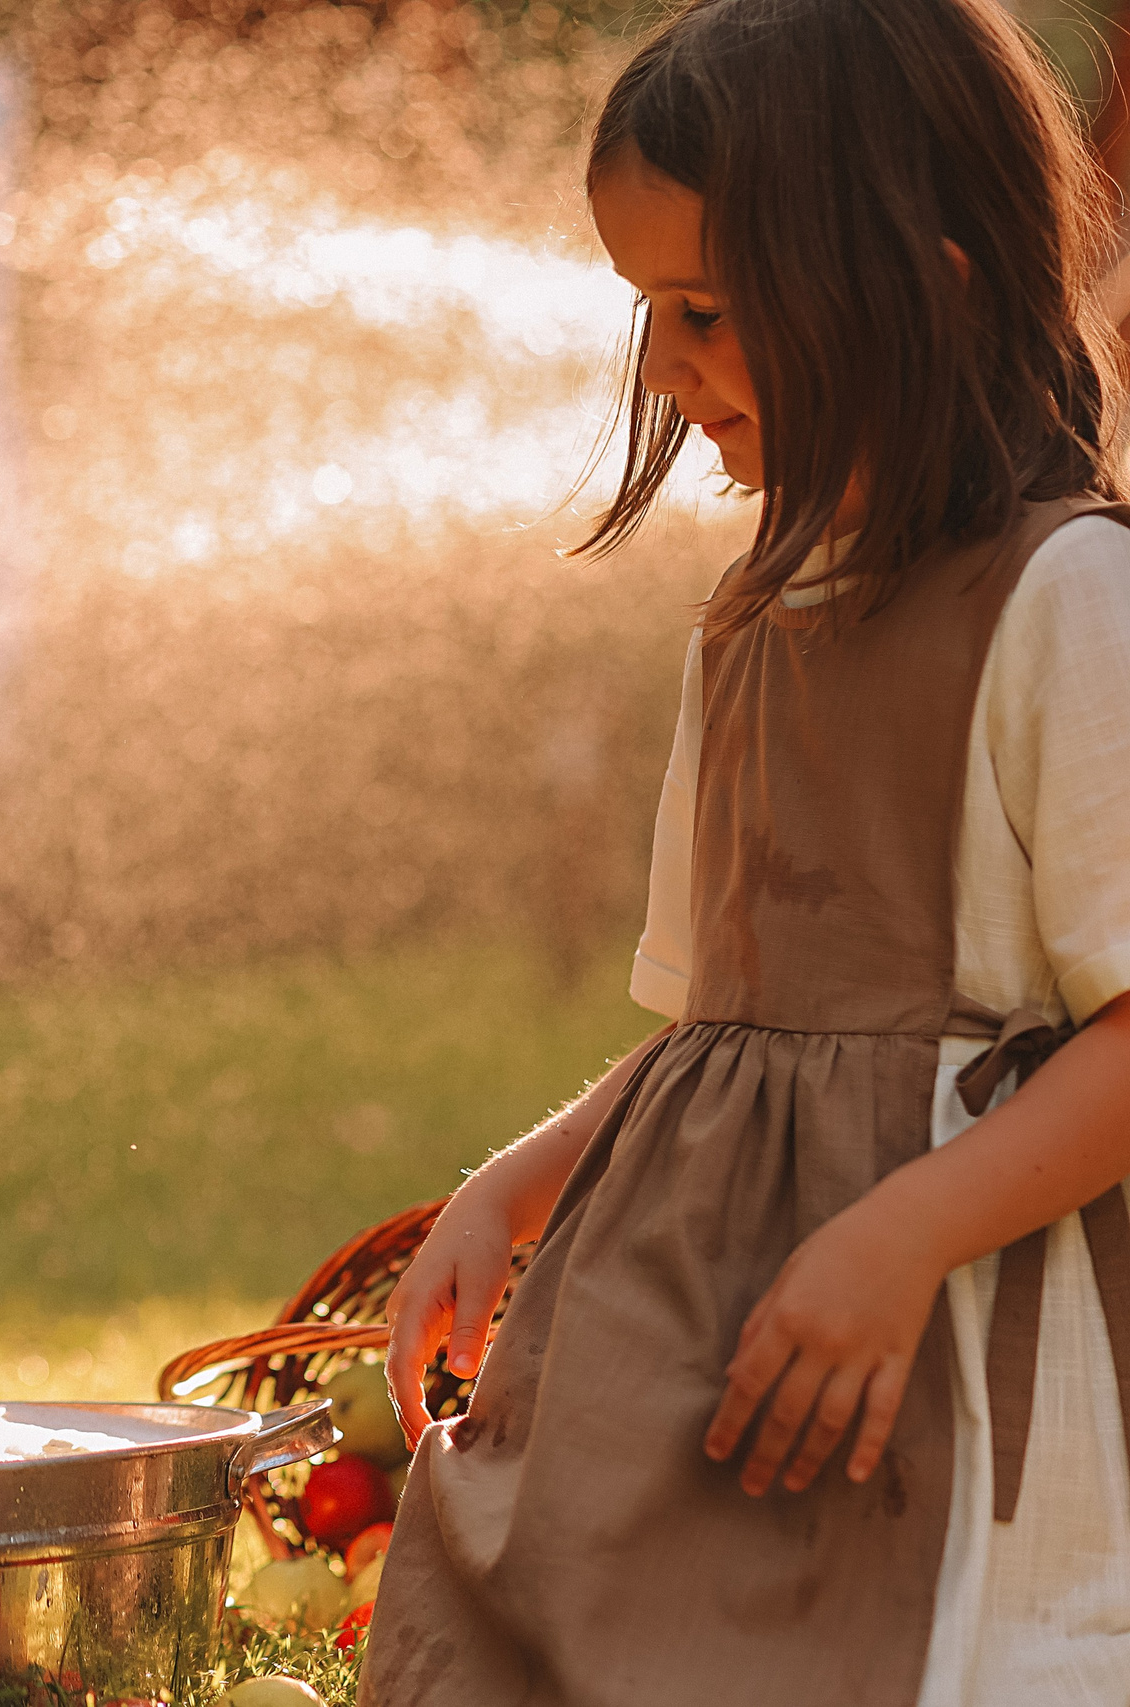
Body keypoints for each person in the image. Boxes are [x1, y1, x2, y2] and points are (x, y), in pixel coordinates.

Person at [362, 1, 1130, 1700]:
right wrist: (520, 1182)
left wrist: (904, 1234)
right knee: (535, 1605)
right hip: (713, 1321)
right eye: (649, 314)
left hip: (947, 1359)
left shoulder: (1066, 600)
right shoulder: (755, 615)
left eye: (702, 312)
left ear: (917, 285)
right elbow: (726, 1025)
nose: (663, 368)